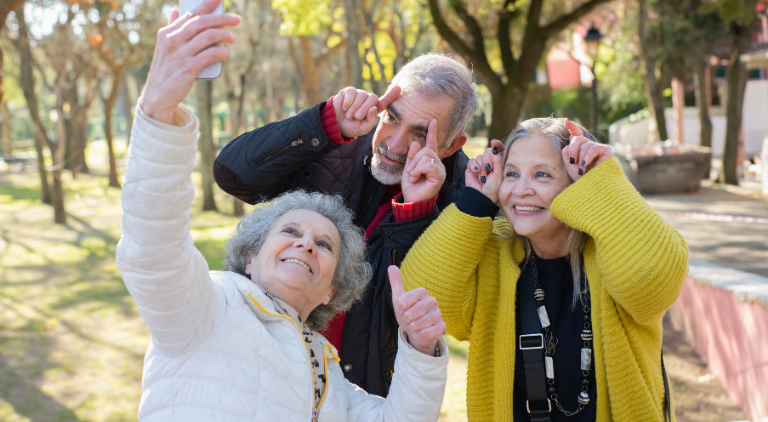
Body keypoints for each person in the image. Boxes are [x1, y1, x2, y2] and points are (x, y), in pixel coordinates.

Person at [116, 1, 449, 420]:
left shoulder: (327, 376)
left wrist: (421, 350)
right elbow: (152, 250)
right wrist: (158, 111)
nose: (306, 244)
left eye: (325, 245)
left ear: (332, 291)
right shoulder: (207, 309)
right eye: (290, 232)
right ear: (249, 257)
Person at [214, 51, 479, 395]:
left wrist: (415, 210)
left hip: (356, 395)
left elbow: (413, 312)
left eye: (418, 134)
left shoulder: (465, 201)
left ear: (451, 145)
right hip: (265, 367)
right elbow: (232, 175)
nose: (394, 144)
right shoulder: (337, 141)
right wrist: (324, 123)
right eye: (392, 117)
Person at [398, 117, 689, 421]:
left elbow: (650, 281)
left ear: (578, 183)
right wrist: (476, 201)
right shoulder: (494, 253)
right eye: (512, 174)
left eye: (542, 175)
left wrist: (603, 180)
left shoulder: (615, 250)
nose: (521, 190)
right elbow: (422, 296)